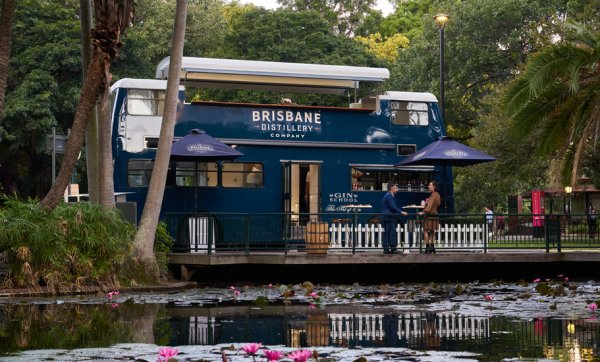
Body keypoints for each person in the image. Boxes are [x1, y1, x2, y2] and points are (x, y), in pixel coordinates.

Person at [381, 184, 408, 254]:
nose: (397, 190)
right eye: (396, 188)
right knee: (391, 232)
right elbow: (392, 207)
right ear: (391, 188)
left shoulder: (387, 195)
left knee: (386, 233)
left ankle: (386, 249)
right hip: (388, 217)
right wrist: (401, 212)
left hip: (386, 216)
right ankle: (393, 249)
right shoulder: (389, 196)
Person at [419, 181, 441, 254]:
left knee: (425, 230)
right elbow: (437, 203)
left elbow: (429, 206)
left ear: (434, 186)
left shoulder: (433, 195)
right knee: (432, 232)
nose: (428, 186)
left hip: (429, 215)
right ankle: (432, 247)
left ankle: (427, 248)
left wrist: (423, 211)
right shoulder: (437, 195)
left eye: (430, 185)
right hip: (435, 214)